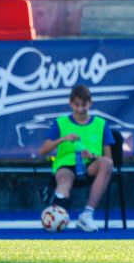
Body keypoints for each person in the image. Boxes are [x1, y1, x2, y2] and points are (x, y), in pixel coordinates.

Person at [38, 85, 115, 232]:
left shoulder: (101, 124)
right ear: (71, 104)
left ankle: (86, 215)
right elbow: (43, 151)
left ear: (90, 104)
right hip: (66, 166)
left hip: (91, 166)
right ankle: (59, 209)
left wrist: (93, 156)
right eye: (76, 105)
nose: (80, 109)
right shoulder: (60, 122)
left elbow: (109, 159)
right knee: (64, 179)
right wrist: (63, 139)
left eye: (84, 105)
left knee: (106, 164)